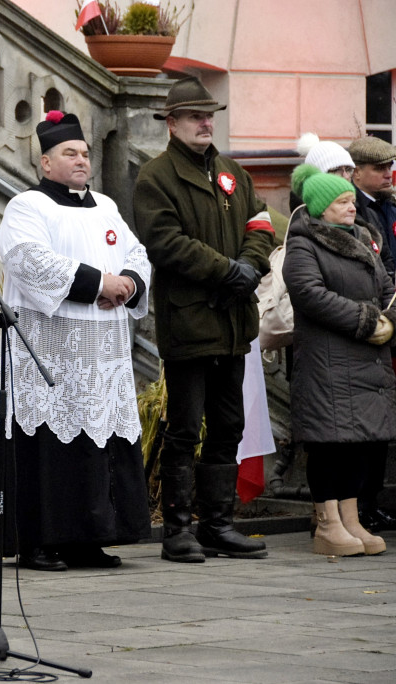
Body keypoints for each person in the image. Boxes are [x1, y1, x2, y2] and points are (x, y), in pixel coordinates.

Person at [0, 110, 151, 572]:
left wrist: (131, 283)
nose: (80, 161)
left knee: (97, 441)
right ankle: (39, 541)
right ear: (45, 163)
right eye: (69, 153)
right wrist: (101, 283)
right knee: (47, 444)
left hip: (104, 352)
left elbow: (136, 253)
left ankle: (88, 538)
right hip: (50, 351)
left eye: (84, 153)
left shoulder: (106, 207)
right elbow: (28, 259)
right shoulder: (27, 206)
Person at [133, 76, 274, 563]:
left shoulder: (233, 171)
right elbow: (166, 243)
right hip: (190, 324)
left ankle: (218, 523)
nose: (206, 123)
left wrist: (251, 266)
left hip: (234, 321)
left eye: (209, 115)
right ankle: (177, 529)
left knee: (229, 426)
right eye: (195, 116)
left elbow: (261, 224)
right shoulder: (157, 177)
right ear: (171, 124)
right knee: (185, 427)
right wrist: (226, 271)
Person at [283, 164, 392, 556]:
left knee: (359, 443)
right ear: (321, 208)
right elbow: (310, 294)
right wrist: (367, 320)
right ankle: (328, 523)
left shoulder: (363, 238)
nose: (351, 208)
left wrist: (389, 318)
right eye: (342, 202)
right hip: (327, 359)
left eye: (351, 200)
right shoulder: (304, 243)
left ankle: (351, 519)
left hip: (364, 359)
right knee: (329, 443)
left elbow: (385, 286)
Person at [348, 136, 396, 532]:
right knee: (364, 423)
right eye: (379, 168)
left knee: (381, 421)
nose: (387, 173)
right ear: (357, 170)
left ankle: (373, 501)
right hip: (375, 320)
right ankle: (359, 503)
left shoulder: (388, 205)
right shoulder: (352, 210)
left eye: (389, 166)